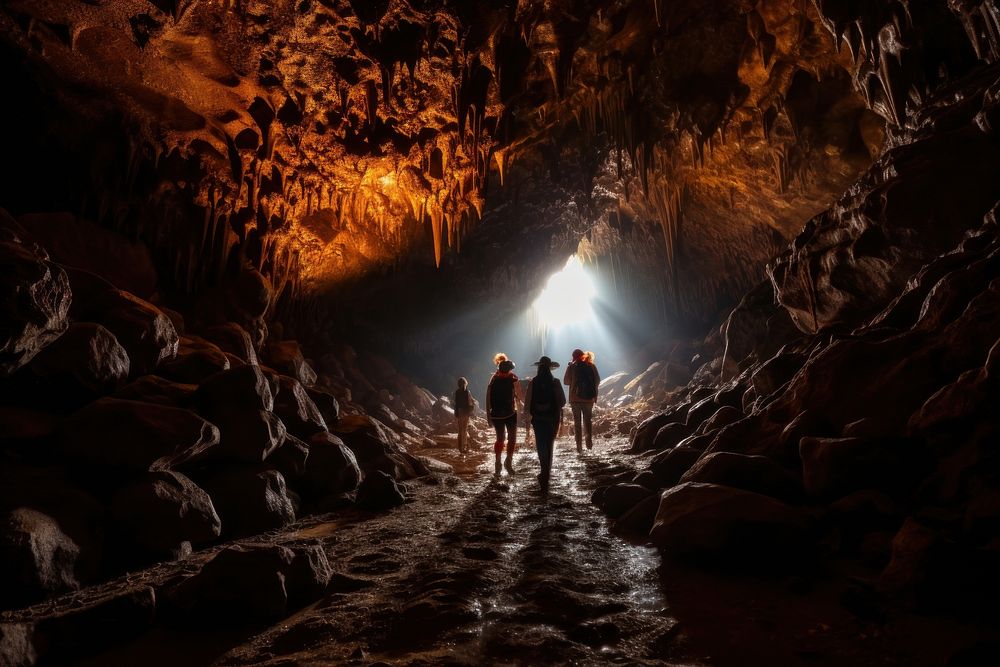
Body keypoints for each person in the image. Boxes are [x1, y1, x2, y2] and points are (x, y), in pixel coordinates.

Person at [524, 355, 566, 494]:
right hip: (552, 418)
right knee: (550, 445)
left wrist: (528, 419)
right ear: (550, 368)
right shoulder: (556, 382)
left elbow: (528, 402)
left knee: (541, 445)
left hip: (538, 418)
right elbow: (563, 402)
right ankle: (546, 474)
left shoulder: (533, 382)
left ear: (539, 367)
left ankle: (544, 472)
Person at [485, 353, 522, 476]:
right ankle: (506, 463)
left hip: (497, 414)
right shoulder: (512, 378)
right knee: (510, 439)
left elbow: (487, 398)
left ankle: (499, 463)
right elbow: (519, 396)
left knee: (502, 439)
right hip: (510, 413)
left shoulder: (494, 378)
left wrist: (489, 416)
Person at [563, 348, 600, 452]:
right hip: (589, 399)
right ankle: (589, 444)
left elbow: (565, 381)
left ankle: (579, 446)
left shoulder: (572, 367)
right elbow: (597, 381)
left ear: (573, 357)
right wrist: (595, 396)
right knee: (588, 421)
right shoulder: (591, 366)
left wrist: (570, 369)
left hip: (575, 399)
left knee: (577, 423)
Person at [454, 377, 475, 454]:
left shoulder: (457, 392)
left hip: (459, 412)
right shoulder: (467, 392)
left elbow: (456, 404)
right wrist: (471, 410)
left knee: (460, 430)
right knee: (464, 430)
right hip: (466, 412)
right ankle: (464, 447)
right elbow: (470, 403)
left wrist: (456, 412)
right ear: (465, 384)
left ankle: (460, 448)